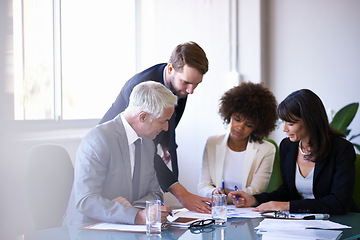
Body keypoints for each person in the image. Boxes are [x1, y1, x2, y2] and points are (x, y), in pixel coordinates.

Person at [99, 41, 212, 213]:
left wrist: (166, 145)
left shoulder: (180, 85)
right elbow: (144, 148)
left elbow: (169, 123)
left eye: (196, 84)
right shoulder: (141, 88)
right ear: (170, 69)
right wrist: (182, 194)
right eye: (187, 83)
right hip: (111, 158)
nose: (191, 91)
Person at [62, 81, 175, 226]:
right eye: (162, 122)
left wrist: (133, 211)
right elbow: (86, 200)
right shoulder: (98, 139)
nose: (166, 128)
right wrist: (135, 215)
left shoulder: (148, 143)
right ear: (143, 117)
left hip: (123, 228)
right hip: (86, 229)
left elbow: (155, 193)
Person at [229, 89, 357, 214]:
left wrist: (287, 206)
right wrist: (255, 199)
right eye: (283, 122)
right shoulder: (287, 147)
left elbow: (339, 202)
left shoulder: (341, 149)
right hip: (300, 222)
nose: (284, 129)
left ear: (310, 121)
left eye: (290, 123)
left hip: (337, 223)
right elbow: (287, 191)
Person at [198, 82, 278, 204]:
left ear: (257, 127)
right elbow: (203, 186)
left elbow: (257, 190)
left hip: (247, 210)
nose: (240, 127)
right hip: (218, 210)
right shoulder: (212, 143)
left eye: (249, 124)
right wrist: (214, 193)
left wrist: (228, 197)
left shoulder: (267, 149)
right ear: (229, 115)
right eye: (237, 119)